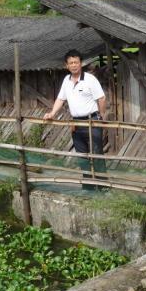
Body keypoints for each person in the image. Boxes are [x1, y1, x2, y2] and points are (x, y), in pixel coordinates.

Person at [44, 49, 107, 188]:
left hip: (92, 121)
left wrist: (101, 115)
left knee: (97, 154)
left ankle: (103, 186)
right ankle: (88, 186)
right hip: (76, 123)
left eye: (76, 62)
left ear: (81, 63)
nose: (74, 65)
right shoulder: (66, 81)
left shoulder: (90, 79)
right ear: (66, 65)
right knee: (82, 155)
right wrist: (52, 113)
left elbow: (101, 98)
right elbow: (61, 99)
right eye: (71, 63)